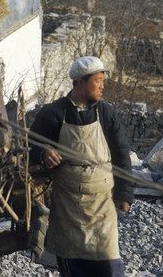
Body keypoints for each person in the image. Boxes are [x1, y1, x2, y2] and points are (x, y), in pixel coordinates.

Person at [29, 56, 133, 277]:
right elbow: (31, 144)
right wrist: (44, 153)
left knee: (110, 264)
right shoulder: (54, 113)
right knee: (75, 264)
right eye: (98, 81)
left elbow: (121, 153)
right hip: (69, 206)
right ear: (79, 83)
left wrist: (124, 191)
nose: (102, 86)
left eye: (103, 80)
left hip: (101, 204)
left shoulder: (106, 113)